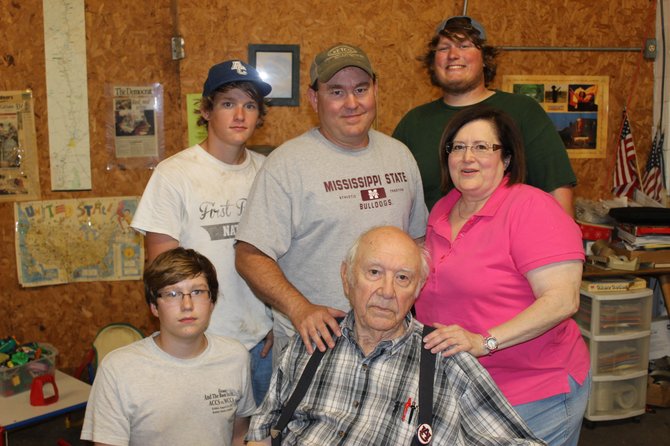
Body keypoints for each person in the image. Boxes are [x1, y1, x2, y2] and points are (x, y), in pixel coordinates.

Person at [245, 226, 545, 446]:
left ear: (417, 290)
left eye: (403, 278)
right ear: (347, 278)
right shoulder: (311, 343)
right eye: (374, 272)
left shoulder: (445, 359)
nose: (387, 292)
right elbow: (261, 432)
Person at [235, 44, 428, 360]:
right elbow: (249, 255)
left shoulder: (400, 156)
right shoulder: (287, 164)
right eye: (336, 92)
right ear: (314, 99)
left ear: (375, 91)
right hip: (316, 346)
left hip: (391, 345)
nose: (352, 103)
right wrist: (299, 309)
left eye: (361, 89)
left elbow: (418, 243)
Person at [415, 105, 590, 446]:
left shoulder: (531, 208)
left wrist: (485, 341)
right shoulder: (443, 208)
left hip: (533, 392)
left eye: (482, 147)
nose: (468, 157)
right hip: (464, 388)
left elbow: (562, 300)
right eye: (458, 147)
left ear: (506, 158)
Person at [131, 60, 274, 404]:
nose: (240, 114)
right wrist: (188, 343)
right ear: (207, 110)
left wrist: (276, 322)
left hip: (262, 346)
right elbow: (164, 273)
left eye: (250, 104)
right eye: (228, 103)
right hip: (203, 346)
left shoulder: (269, 172)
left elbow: (283, 254)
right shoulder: (174, 174)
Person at [393, 16, 576, 214]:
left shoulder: (524, 111)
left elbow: (557, 189)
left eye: (464, 45)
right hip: (434, 241)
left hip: (509, 243)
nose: (453, 54)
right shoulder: (413, 123)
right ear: (433, 61)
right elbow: (394, 196)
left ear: (485, 60)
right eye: (444, 48)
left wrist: (562, 242)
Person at [81, 247, 255, 446]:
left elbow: (239, 435)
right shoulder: (118, 369)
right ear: (154, 307)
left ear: (212, 302)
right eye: (173, 294)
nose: (187, 305)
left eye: (197, 292)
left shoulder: (235, 357)